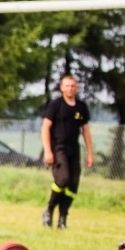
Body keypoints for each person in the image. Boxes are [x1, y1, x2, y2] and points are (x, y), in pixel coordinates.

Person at [41, 74, 94, 230]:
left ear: (76, 88)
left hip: (74, 148)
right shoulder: (56, 105)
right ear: (61, 88)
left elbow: (86, 131)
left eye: (73, 86)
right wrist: (47, 151)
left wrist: (90, 154)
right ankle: (49, 210)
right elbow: (45, 127)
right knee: (63, 179)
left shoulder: (81, 107)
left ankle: (62, 218)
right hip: (58, 147)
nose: (70, 88)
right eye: (67, 86)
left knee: (73, 185)